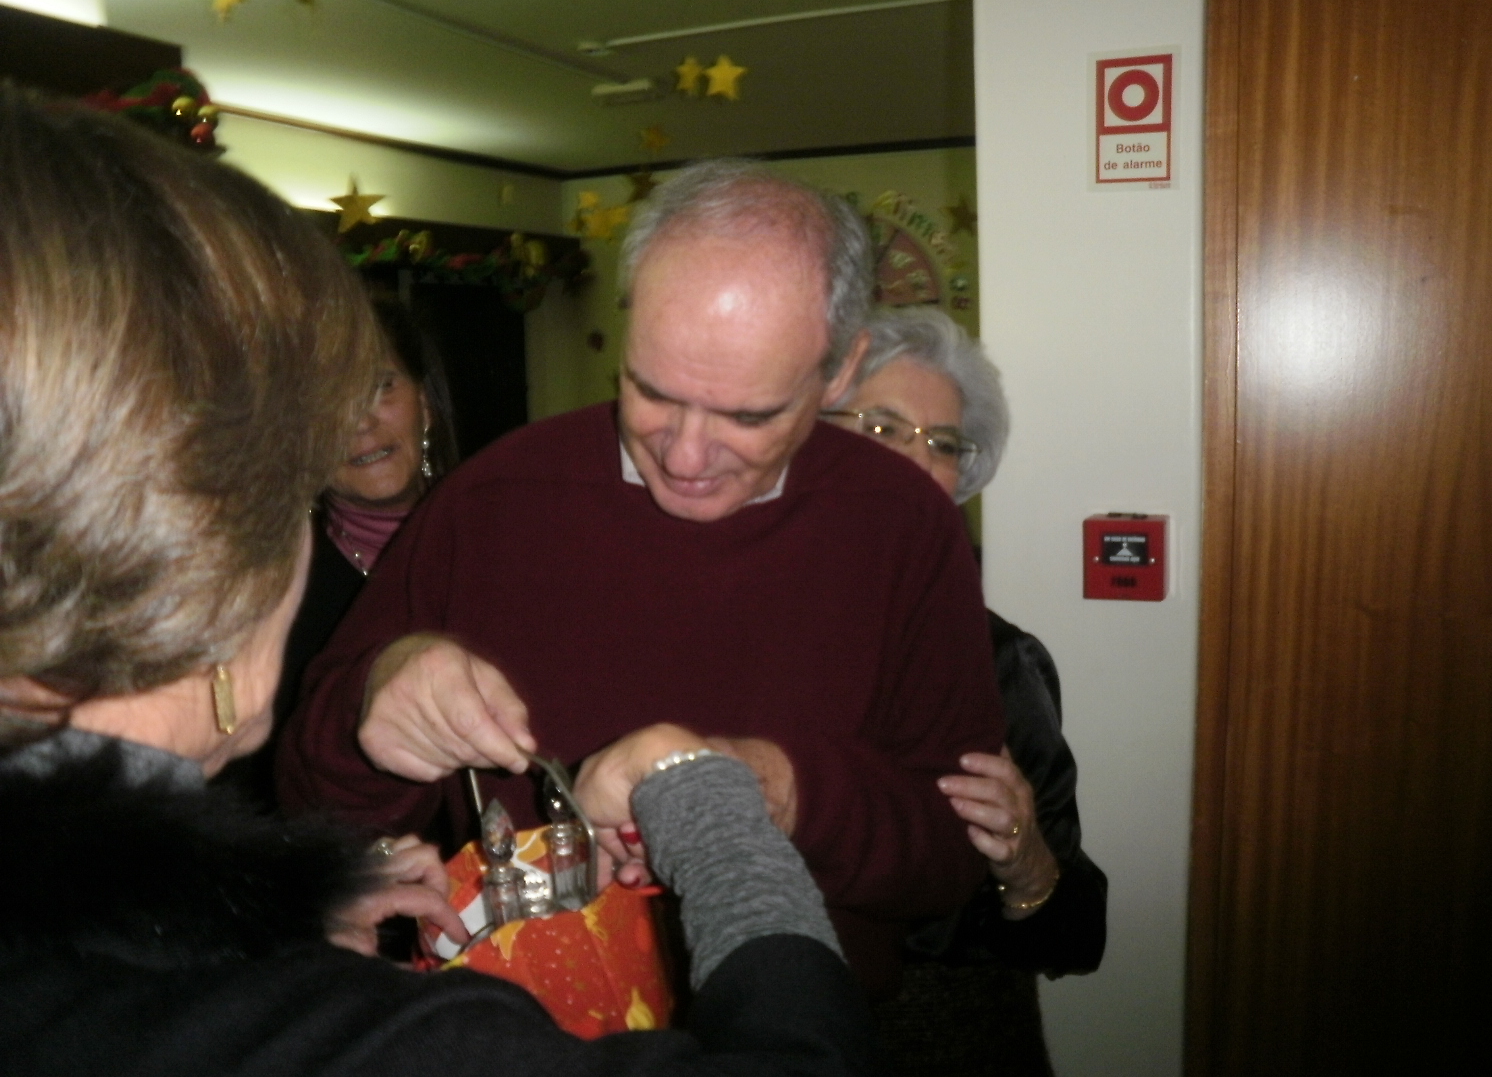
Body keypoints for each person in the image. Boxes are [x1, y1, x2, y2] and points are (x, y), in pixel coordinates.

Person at [0, 88, 883, 1077]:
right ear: (221, 553)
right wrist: (699, 792)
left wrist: (263, 916)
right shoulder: (372, 1054)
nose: (689, 449)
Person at [277, 159, 1005, 998]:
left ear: (841, 370)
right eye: (652, 393)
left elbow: (951, 860)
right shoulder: (492, 500)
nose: (685, 456)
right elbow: (311, 809)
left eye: (747, 415)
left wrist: (765, 789)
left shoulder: (904, 524)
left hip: (786, 1036)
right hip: (520, 1037)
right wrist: (374, 698)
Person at [823, 306, 1107, 1077]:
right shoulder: (725, 631)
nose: (918, 463)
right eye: (883, 427)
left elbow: (1077, 936)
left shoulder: (999, 662)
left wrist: (1027, 863)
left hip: (955, 1060)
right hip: (761, 1050)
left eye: (942, 443)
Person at [224, 297, 459, 811]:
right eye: (328, 403)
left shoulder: (501, 540)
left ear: (424, 404)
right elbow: (254, 793)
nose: (360, 422)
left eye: (380, 386)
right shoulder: (267, 596)